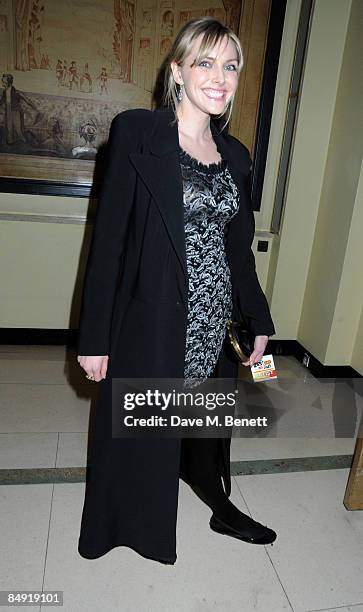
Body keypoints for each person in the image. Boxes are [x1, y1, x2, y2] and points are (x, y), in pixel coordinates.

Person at [77, 16, 277, 565]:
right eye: (205, 63)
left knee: (208, 426)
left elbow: (239, 249)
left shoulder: (235, 156)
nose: (220, 77)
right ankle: (130, 525)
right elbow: (109, 241)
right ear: (178, 72)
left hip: (216, 321)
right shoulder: (139, 132)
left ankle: (218, 503)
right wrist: (94, 337)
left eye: (230, 65)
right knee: (143, 432)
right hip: (155, 318)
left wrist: (258, 320)